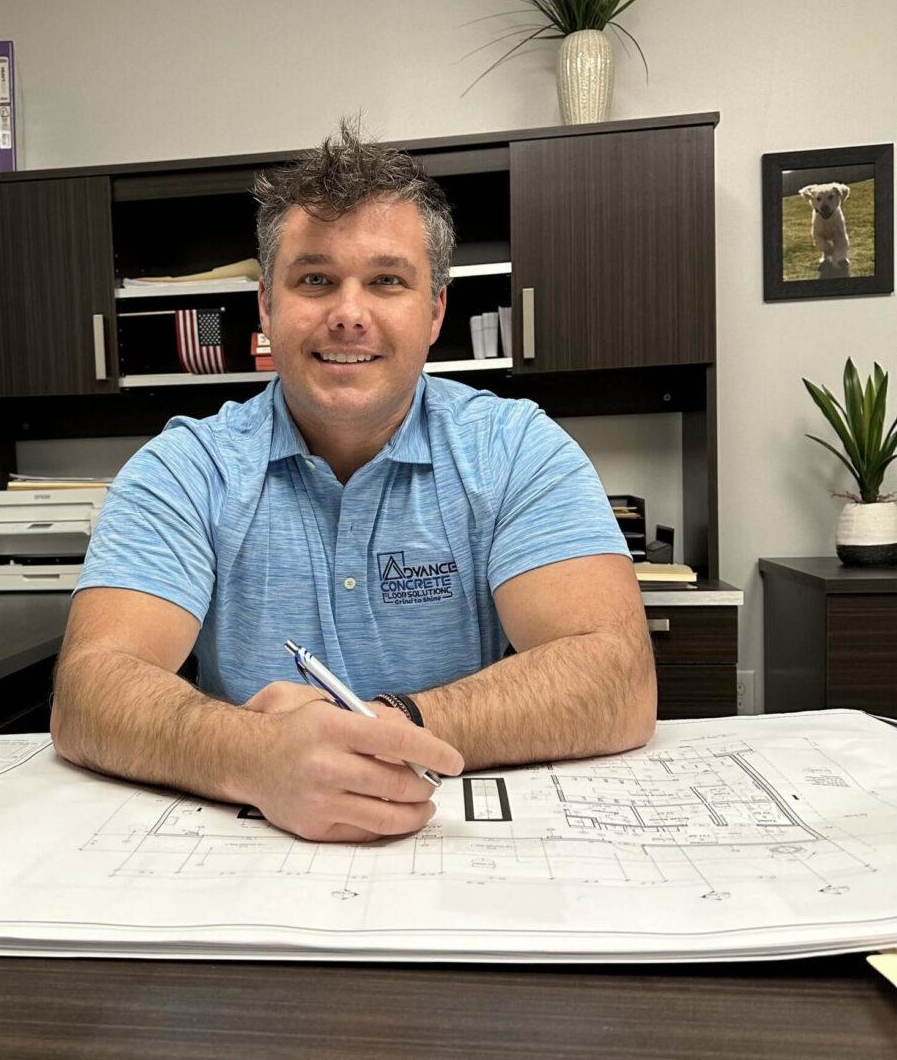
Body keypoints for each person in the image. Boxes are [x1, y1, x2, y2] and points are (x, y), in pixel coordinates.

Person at [51, 118, 657, 842]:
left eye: (386, 281)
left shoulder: (517, 448)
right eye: (315, 280)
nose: (347, 314)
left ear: (434, 309)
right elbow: (87, 691)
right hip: (247, 844)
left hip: (454, 841)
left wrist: (383, 729)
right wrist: (258, 757)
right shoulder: (185, 469)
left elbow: (617, 679)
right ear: (267, 309)